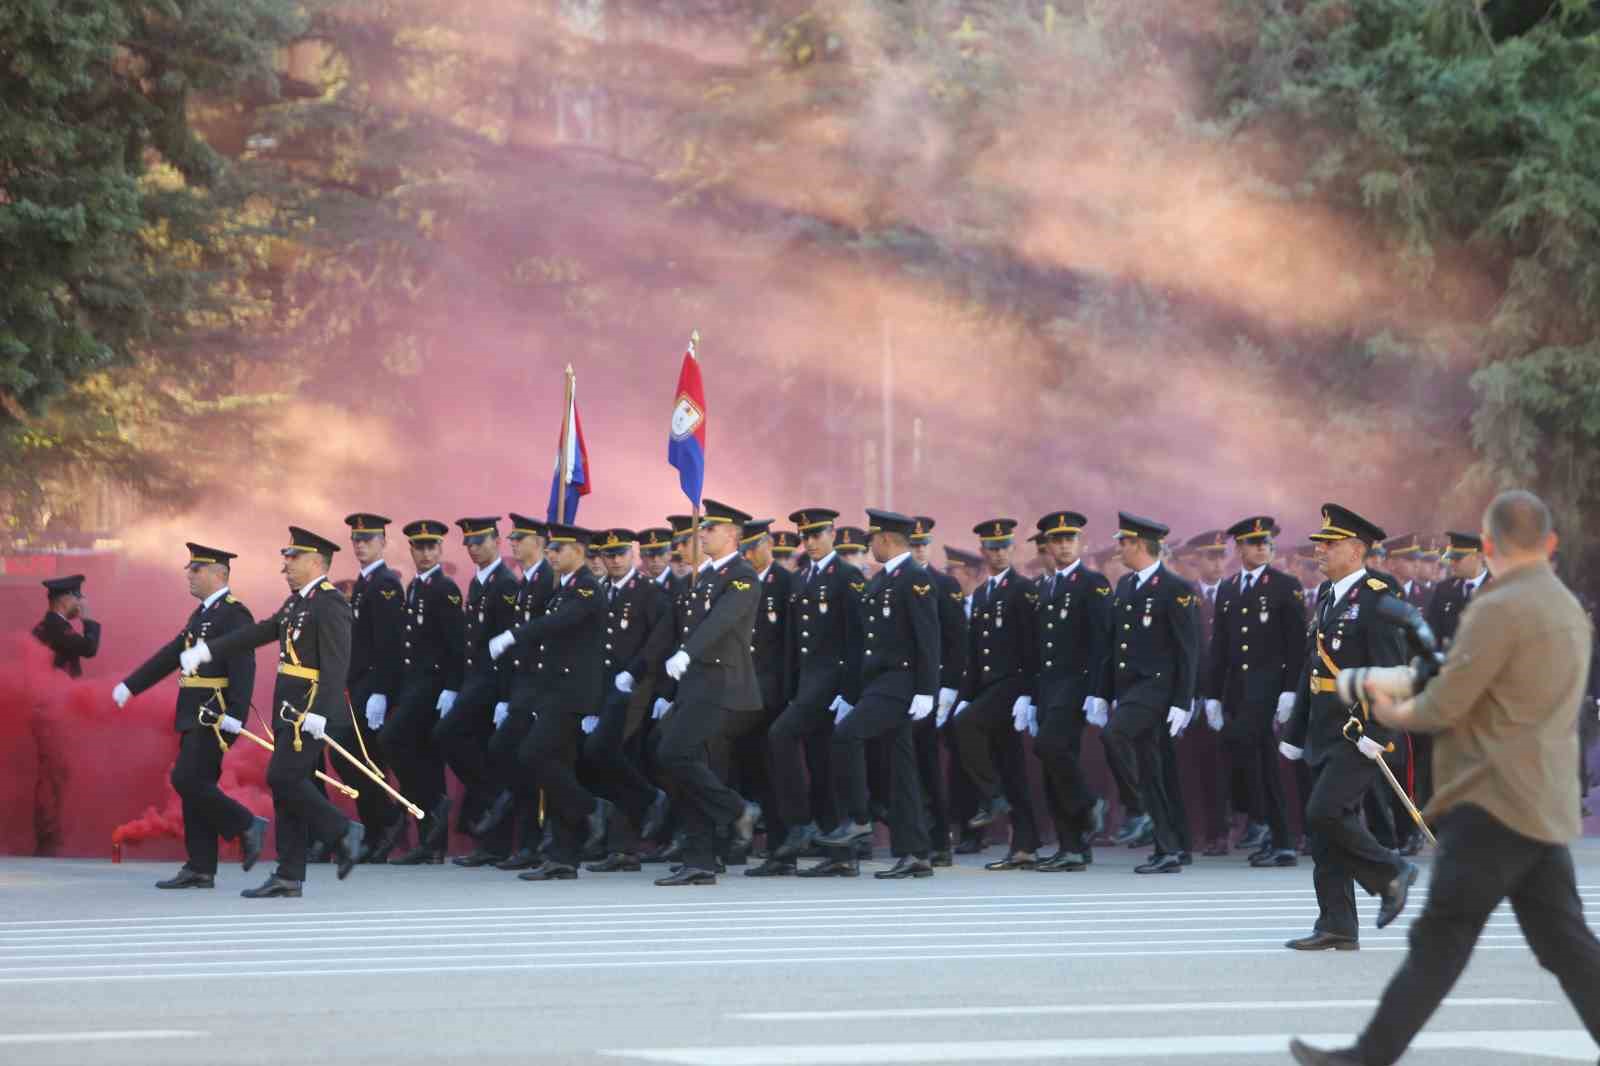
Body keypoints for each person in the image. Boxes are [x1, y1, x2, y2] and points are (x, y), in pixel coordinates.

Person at [1291, 490, 1600, 1065]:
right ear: (1551, 545)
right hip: (1543, 800)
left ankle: (1363, 1058)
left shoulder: (1498, 608)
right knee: (1567, 947)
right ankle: (1364, 1057)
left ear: (1488, 546)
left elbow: (1443, 703)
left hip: (1492, 801)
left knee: (1440, 943)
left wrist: (1387, 712)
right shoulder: (1565, 608)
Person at [181, 527, 363, 898]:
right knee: (285, 792)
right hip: (289, 710)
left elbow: (336, 663)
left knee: (283, 777)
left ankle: (343, 830)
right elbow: (259, 633)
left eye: (293, 558)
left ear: (316, 561)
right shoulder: (296, 602)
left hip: (310, 712)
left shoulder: (330, 603)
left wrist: (322, 713)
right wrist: (209, 650)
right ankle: (289, 874)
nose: (286, 566)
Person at [1279, 504, 1415, 949]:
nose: (1319, 552)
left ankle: (1392, 871)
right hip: (1324, 728)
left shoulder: (1378, 596)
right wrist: (1295, 732)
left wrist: (1379, 732)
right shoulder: (1328, 596)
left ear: (1356, 549)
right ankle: (1336, 925)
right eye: (1319, 544)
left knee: (1325, 812)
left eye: (1329, 545)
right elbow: (1312, 670)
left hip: (1359, 730)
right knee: (1323, 829)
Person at [113, 543, 266, 889]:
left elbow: (245, 666)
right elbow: (171, 655)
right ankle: (200, 867)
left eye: (197, 569)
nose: (189, 574)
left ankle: (245, 823)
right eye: (190, 568)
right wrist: (132, 685)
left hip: (214, 714)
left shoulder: (234, 614)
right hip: (194, 713)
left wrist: (236, 715)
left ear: (220, 574)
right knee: (196, 789)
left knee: (187, 780)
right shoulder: (202, 615)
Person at [810, 509, 939, 879]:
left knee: (846, 735)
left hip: (898, 683)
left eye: (872, 541)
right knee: (902, 769)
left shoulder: (914, 578)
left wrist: (927, 690)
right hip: (879, 682)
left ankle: (860, 818)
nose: (870, 548)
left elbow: (928, 637)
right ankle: (915, 853)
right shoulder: (888, 578)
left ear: (886, 539)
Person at [486, 522, 610, 881]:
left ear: (580, 552)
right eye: (551, 549)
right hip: (553, 689)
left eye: (559, 549)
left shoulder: (586, 588)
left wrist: (513, 634)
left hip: (572, 693)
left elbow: (559, 623)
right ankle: (563, 856)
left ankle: (590, 806)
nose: (552, 555)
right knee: (556, 765)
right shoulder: (564, 588)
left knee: (534, 754)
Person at [653, 499, 761, 885]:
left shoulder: (743, 575)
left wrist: (687, 652)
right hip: (695, 684)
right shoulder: (706, 576)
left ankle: (736, 809)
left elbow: (722, 620)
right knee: (687, 762)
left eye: (710, 529)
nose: (702, 535)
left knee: (674, 751)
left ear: (732, 533)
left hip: (722, 684)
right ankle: (701, 858)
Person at [1088, 512, 1199, 874]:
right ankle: (1172, 847)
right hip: (1130, 688)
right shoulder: (1125, 586)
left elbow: (1188, 650)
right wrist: (1102, 693)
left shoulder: (1175, 588)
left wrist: (1184, 701)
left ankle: (1139, 810)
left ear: (1139, 544)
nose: (1119, 548)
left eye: (1124, 542)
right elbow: (1113, 645)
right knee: (1156, 770)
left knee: (1115, 735)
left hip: (1158, 690)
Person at [766, 507, 864, 875]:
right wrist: (793, 687)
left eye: (818, 534)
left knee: (781, 735)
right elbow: (795, 641)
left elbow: (857, 640)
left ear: (833, 534)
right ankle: (840, 854)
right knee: (822, 764)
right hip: (808, 685)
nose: (811, 541)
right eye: (805, 536)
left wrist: (850, 691)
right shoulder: (801, 578)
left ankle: (801, 821)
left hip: (833, 686)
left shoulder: (849, 576)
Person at [948, 518, 1045, 870]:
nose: (999, 553)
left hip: (1013, 686)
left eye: (1005, 546)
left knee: (966, 726)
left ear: (1013, 549)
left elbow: (1034, 647)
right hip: (989, 688)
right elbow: (975, 653)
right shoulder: (984, 594)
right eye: (993, 548)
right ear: (983, 552)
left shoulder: (1023, 590)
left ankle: (990, 797)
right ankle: (1024, 845)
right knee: (1012, 767)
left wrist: (1029, 693)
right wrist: (965, 695)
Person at [1028, 511, 1111, 871]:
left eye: (1070, 539)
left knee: (1050, 746)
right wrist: (1030, 696)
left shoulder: (1092, 583)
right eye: (1057, 540)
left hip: (1077, 683)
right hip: (1048, 686)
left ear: (1081, 543)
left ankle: (1089, 803)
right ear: (1047, 545)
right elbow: (1037, 645)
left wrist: (1098, 690)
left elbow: (1102, 640)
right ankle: (1072, 846)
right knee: (1052, 763)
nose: (1063, 545)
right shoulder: (1044, 586)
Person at [436, 516, 520, 866]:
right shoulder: (479, 582)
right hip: (475, 680)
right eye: (469, 543)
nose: (474, 548)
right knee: (479, 753)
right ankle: (493, 829)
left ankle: (497, 805)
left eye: (481, 541)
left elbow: (510, 646)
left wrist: (505, 696)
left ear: (497, 542)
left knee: (449, 735)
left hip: (493, 683)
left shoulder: (505, 584)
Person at [384, 520, 464, 865]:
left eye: (432, 547)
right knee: (427, 761)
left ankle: (429, 804)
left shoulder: (443, 588)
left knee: (393, 740)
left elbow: (457, 645)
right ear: (412, 551)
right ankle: (432, 841)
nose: (426, 553)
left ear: (441, 550)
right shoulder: (415, 587)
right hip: (414, 684)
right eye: (420, 548)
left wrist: (451, 686)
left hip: (432, 686)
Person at [479, 513, 556, 869]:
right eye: (511, 539)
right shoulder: (528, 580)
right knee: (509, 753)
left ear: (539, 542)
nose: (513, 544)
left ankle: (534, 841)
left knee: (527, 758)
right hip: (522, 685)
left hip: (541, 687)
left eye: (519, 538)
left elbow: (549, 636)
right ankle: (526, 838)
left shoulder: (548, 580)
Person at [339, 513, 406, 862]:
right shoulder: (366, 582)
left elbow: (390, 643)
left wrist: (381, 690)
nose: (361, 544)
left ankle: (386, 824)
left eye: (368, 539)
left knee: (364, 759)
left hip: (375, 685)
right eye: (356, 539)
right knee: (355, 758)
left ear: (383, 543)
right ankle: (382, 824)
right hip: (360, 683)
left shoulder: (385, 584)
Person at [33, 575, 100, 677]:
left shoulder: (46, 624)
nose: (79, 603)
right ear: (65, 599)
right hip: (58, 689)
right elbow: (89, 648)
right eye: (77, 597)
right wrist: (87, 619)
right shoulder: (57, 625)